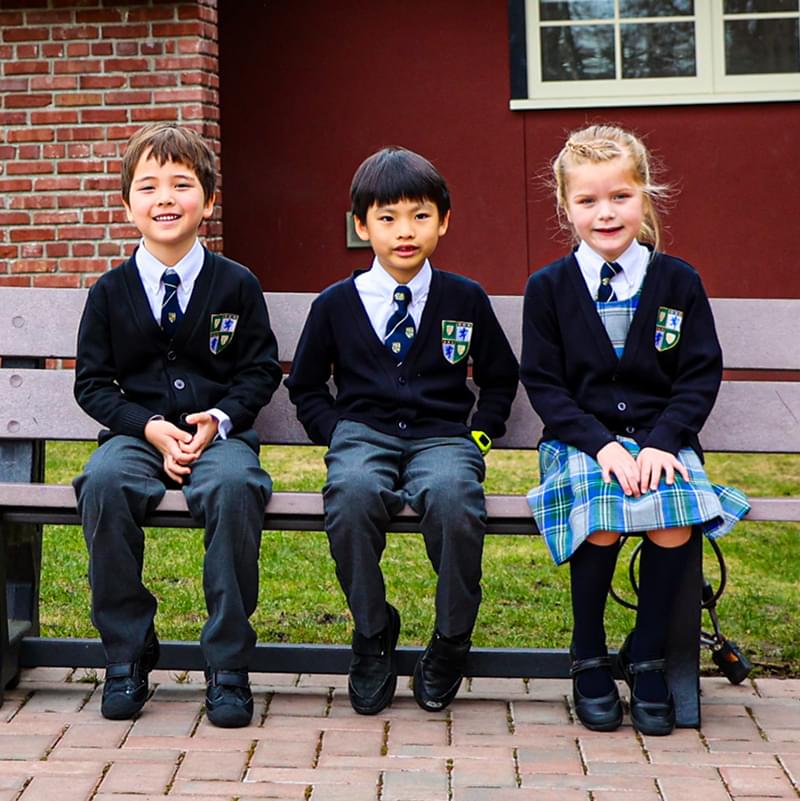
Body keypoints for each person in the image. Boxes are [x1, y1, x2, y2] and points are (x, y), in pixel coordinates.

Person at [520, 125, 749, 736]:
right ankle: (588, 653)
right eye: (588, 200)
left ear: (646, 198)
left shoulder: (679, 282)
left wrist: (660, 442)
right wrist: (601, 446)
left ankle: (648, 656)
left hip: (661, 439)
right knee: (598, 515)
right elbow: (545, 386)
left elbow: (699, 375)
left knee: (673, 512)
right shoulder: (547, 289)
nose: (605, 213)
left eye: (620, 196)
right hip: (580, 441)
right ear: (564, 206)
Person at [285, 146, 518, 715]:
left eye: (419, 216)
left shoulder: (465, 298)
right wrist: (336, 432)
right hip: (362, 435)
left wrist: (480, 436)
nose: (404, 232)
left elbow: (500, 378)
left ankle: (451, 637)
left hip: (443, 437)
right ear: (362, 226)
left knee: (454, 498)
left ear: (444, 221)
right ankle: (372, 630)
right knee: (352, 495)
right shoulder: (336, 304)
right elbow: (307, 385)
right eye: (387, 218)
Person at [73, 122, 282, 728]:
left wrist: (218, 420)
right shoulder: (110, 292)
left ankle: (227, 663)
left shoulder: (236, 284)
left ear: (209, 201)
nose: (165, 198)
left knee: (235, 488)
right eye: (148, 186)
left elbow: (259, 371)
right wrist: (147, 427)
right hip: (136, 437)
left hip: (221, 437)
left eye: (181, 184)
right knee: (103, 484)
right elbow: (92, 383)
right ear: (128, 206)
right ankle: (128, 651)